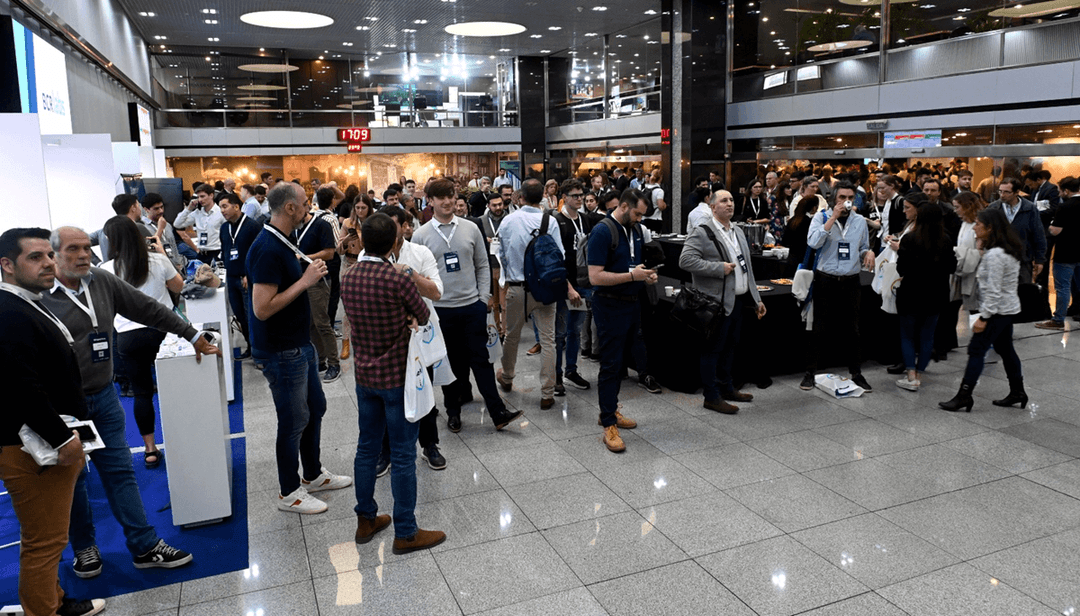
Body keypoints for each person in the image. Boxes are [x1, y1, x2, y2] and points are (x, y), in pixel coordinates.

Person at [42, 226, 207, 579]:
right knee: (73, 478)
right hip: (63, 407)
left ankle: (144, 546)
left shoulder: (100, 280)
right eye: (73, 249)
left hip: (103, 396)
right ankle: (84, 548)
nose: (83, 255)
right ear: (53, 255)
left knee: (120, 472)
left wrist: (190, 333)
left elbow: (147, 308)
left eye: (86, 247)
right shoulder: (39, 296)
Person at [0, 228, 106, 616]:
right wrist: (62, 439)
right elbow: (20, 386)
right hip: (32, 446)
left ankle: (53, 602)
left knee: (48, 538)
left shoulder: (26, 302)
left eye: (48, 255)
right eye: (35, 257)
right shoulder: (9, 312)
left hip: (41, 439)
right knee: (44, 542)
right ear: (7, 265)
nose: (48, 263)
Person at [340, 212, 447, 554]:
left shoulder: (349, 276)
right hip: (398, 377)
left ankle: (365, 519)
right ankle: (406, 532)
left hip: (364, 375)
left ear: (363, 240)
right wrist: (409, 316)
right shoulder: (397, 277)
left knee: (366, 448)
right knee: (402, 455)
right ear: (393, 243)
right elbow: (424, 313)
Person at [248, 182, 352, 514]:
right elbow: (262, 309)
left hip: (299, 343)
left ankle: (312, 473)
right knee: (293, 419)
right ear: (290, 207)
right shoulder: (267, 247)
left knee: (315, 407)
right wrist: (305, 281)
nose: (310, 208)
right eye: (305, 203)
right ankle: (289, 492)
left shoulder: (283, 239)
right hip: (280, 349)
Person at [411, 179, 522, 431]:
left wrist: (482, 298)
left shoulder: (471, 228)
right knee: (450, 365)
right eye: (441, 198)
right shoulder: (421, 235)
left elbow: (482, 265)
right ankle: (453, 412)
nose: (447, 202)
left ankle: (498, 412)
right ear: (430, 201)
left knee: (482, 361)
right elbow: (417, 277)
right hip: (441, 310)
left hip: (472, 306)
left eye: (450, 196)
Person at [99, 216, 185, 467]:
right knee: (175, 390)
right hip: (164, 330)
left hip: (128, 336)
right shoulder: (157, 260)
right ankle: (183, 441)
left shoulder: (106, 269)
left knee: (142, 393)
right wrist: (162, 255)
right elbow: (178, 287)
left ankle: (150, 449)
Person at [679, 190, 766, 414]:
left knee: (731, 347)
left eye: (732, 200)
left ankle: (727, 388)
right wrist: (718, 268)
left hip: (738, 301)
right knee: (712, 350)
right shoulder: (702, 232)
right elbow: (685, 260)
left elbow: (747, 267)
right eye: (724, 201)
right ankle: (711, 396)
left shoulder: (738, 231)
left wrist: (756, 299)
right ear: (712, 207)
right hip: (715, 303)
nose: (730, 204)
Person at [587, 189, 655, 452]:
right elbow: (595, 277)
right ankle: (608, 423)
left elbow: (632, 266)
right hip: (609, 305)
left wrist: (645, 276)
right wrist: (632, 277)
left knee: (621, 363)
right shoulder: (603, 231)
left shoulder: (634, 230)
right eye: (637, 213)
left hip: (631, 303)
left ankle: (611, 409)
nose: (639, 219)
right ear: (624, 206)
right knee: (611, 365)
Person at [940, 208, 1027, 413]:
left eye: (978, 224)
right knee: (1006, 349)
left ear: (990, 228)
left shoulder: (995, 255)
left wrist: (984, 317)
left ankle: (964, 395)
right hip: (1007, 309)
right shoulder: (1005, 250)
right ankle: (1018, 391)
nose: (974, 228)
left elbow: (993, 291)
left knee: (976, 350)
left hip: (996, 312)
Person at [495, 178, 567, 409]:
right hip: (545, 288)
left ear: (521, 197)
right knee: (548, 340)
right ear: (542, 196)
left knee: (512, 335)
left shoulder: (509, 220)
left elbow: (501, 253)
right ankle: (547, 392)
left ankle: (507, 377)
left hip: (517, 287)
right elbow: (560, 254)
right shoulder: (549, 220)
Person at [798, 183, 876, 393]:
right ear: (834, 198)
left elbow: (863, 247)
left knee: (853, 329)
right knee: (818, 328)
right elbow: (813, 242)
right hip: (826, 279)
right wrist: (832, 218)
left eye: (850, 197)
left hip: (851, 280)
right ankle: (810, 372)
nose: (846, 201)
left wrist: (868, 253)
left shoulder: (859, 221)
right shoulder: (821, 217)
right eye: (842, 197)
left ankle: (856, 373)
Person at [894, 200, 958, 391]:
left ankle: (911, 375)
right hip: (936, 293)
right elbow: (952, 266)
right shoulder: (946, 239)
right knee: (927, 335)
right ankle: (920, 373)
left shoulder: (909, 239)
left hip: (911, 292)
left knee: (907, 335)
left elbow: (901, 268)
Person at [554, 179, 593, 393]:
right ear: (564, 197)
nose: (579, 199)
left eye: (581, 195)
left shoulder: (585, 219)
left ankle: (571, 370)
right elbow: (556, 259)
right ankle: (556, 376)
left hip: (583, 282)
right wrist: (569, 287)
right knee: (560, 333)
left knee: (575, 331)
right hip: (565, 284)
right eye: (575, 196)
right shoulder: (557, 221)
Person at [218, 192, 263, 358]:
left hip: (247, 278)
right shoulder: (224, 228)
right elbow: (225, 251)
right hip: (231, 278)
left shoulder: (252, 226)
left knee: (252, 316)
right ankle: (250, 348)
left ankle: (260, 352)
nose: (222, 211)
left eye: (225, 206)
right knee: (239, 316)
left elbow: (259, 254)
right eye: (220, 207)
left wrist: (249, 274)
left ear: (236, 206)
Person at [1036, 176, 1079, 331]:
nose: (1059, 194)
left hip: (1065, 252)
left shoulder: (1065, 207)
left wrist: (1049, 228)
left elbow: (1055, 230)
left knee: (1063, 287)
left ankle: (1058, 319)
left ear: (1066, 191)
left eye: (1060, 191)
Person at [987, 177, 1047, 284]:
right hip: (998, 260)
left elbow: (1038, 235)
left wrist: (1039, 260)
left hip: (1022, 261)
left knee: (1022, 291)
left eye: (1007, 192)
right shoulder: (993, 208)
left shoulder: (1030, 209)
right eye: (1000, 191)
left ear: (1017, 192)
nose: (1002, 195)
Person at [338, 194, 374, 360]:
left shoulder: (374, 222)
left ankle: (366, 341)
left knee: (368, 304)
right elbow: (338, 249)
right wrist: (346, 241)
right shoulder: (347, 223)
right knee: (347, 305)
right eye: (357, 207)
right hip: (349, 263)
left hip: (368, 264)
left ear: (369, 208)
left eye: (363, 208)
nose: (360, 211)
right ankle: (346, 342)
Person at [174, 183, 226, 262]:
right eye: (198, 197)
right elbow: (177, 224)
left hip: (216, 252)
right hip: (201, 253)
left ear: (211, 195)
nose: (200, 200)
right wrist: (188, 209)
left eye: (202, 196)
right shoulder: (197, 213)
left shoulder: (221, 212)